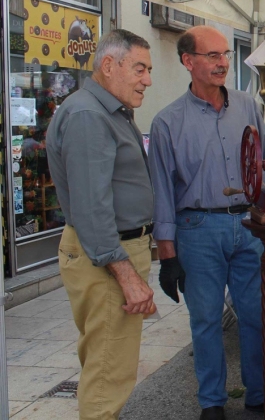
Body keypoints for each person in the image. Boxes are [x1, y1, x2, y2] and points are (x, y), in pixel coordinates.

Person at [149, 26, 265, 420]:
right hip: (197, 229)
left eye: (225, 55)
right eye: (213, 56)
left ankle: (259, 394)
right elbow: (163, 192)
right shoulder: (168, 122)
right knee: (205, 321)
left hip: (249, 226)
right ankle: (212, 403)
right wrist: (167, 254)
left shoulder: (249, 107)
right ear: (188, 62)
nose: (223, 63)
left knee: (255, 314)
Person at [46, 29, 156, 420]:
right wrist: (125, 274)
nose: (147, 79)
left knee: (103, 361)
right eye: (139, 69)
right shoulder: (90, 115)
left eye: (149, 70)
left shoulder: (106, 111)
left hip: (110, 251)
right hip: (108, 255)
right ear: (109, 65)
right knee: (109, 372)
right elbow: (92, 208)